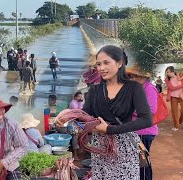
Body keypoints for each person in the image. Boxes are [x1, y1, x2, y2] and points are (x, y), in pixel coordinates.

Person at [57, 45, 152, 179]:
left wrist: (110, 129)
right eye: (99, 64)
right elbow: (84, 118)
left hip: (124, 148)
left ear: (119, 63)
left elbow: (147, 119)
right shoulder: (94, 91)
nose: (101, 68)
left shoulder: (133, 88)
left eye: (106, 63)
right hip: (101, 149)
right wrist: (69, 120)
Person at [127, 65, 158, 180]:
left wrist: (130, 110)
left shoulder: (149, 88)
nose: (133, 79)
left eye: (135, 76)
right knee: (139, 161)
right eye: (132, 76)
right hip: (138, 130)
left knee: (142, 162)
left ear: (143, 76)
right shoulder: (140, 88)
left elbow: (151, 110)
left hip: (144, 131)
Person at [164, 66, 183, 131]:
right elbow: (171, 88)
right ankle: (176, 126)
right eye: (167, 72)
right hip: (173, 96)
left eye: (169, 72)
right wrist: (181, 86)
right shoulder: (167, 79)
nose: (168, 73)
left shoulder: (180, 76)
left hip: (181, 96)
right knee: (174, 112)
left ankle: (181, 121)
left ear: (173, 71)